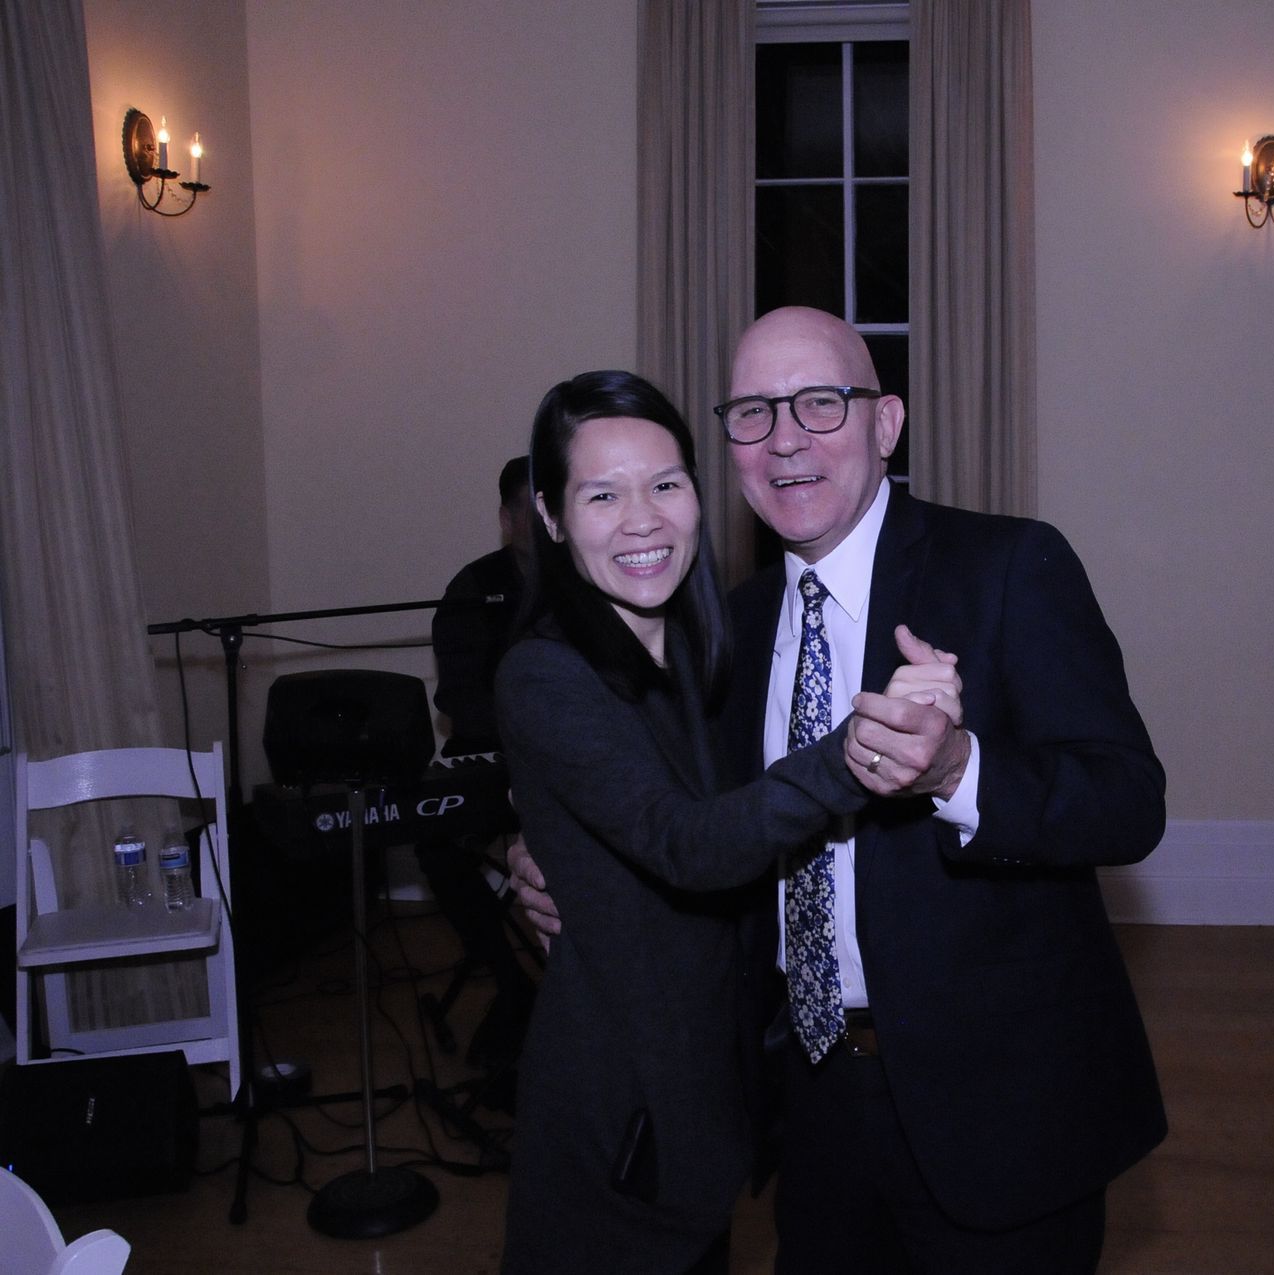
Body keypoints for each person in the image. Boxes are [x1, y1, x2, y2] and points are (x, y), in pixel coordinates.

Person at [513, 308, 1168, 1272]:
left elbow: (1128, 800)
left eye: (820, 403)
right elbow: (677, 819)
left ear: (886, 423)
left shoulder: (1006, 567)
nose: (786, 439)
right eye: (752, 413)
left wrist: (958, 769)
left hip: (1001, 1114)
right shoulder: (724, 629)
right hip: (806, 1103)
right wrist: (538, 856)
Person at [495, 369, 958, 1274]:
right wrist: (862, 746)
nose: (643, 519)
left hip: (713, 1109)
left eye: (666, 483)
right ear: (549, 518)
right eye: (602, 493)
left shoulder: (719, 648)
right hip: (619, 1121)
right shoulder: (547, 672)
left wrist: (541, 845)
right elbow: (688, 845)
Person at [421, 457, 539, 1070]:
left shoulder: (589, 579)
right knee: (434, 839)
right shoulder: (473, 588)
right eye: (527, 510)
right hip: (494, 758)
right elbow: (456, 696)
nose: (541, 523)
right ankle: (508, 976)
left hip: (568, 763)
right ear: (505, 518)